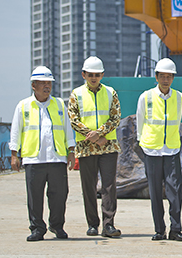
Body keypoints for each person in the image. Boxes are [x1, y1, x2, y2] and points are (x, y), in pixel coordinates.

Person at [9, 66, 75, 242]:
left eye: (49, 83)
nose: (47, 86)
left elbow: (68, 129)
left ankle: (57, 225)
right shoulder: (23, 106)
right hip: (33, 158)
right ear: (34, 85)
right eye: (43, 83)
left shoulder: (60, 104)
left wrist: (71, 151)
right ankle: (37, 228)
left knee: (60, 195)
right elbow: (16, 130)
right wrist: (14, 154)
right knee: (35, 197)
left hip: (56, 157)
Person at [136, 58, 182, 241]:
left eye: (169, 76)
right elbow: (140, 121)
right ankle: (160, 230)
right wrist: (142, 143)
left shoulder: (179, 97)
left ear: (173, 78)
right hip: (151, 149)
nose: (166, 80)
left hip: (172, 150)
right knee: (155, 192)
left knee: (175, 190)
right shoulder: (146, 97)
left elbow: (178, 121)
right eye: (162, 76)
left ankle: (176, 229)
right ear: (156, 77)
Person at [68, 56, 122, 238]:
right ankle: (92, 224)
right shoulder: (76, 94)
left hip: (107, 146)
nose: (93, 78)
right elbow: (73, 119)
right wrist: (92, 137)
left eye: (97, 75)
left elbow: (116, 117)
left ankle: (109, 225)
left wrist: (100, 134)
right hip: (86, 147)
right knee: (88, 186)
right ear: (83, 74)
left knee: (109, 186)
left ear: (102, 75)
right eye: (90, 74)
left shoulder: (111, 93)